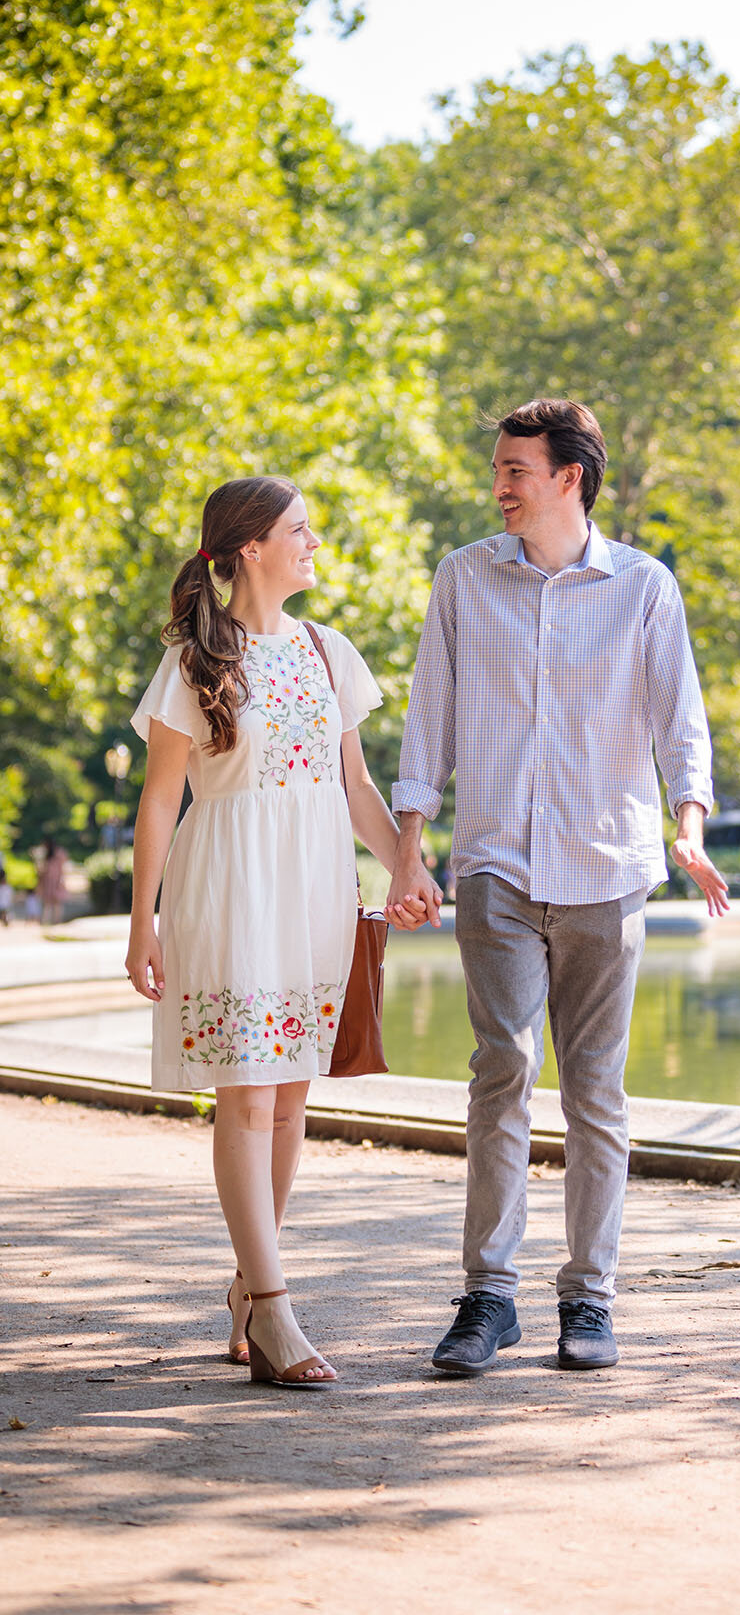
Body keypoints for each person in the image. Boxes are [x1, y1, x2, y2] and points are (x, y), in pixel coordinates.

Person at [385, 399, 729, 1375]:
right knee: (500, 1072)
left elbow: (681, 724)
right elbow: (430, 721)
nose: (499, 484)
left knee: (594, 1091)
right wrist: (409, 849)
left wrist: (688, 829)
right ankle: (488, 1299)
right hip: (494, 858)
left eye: (515, 470)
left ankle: (590, 1300)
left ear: (569, 479)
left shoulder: (644, 589)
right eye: (498, 468)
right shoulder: (464, 579)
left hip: (607, 867)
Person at [125, 476, 403, 1388]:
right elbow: (161, 797)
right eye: (299, 529)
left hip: (316, 886)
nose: (314, 541)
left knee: (289, 1101)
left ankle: (251, 1284)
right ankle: (279, 1314)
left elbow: (356, 788)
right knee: (245, 1096)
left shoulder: (329, 652)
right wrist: (144, 924)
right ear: (251, 548)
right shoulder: (196, 659)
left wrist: (408, 865)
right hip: (230, 887)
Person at [36, 840, 68, 926]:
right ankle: (54, 921)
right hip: (52, 881)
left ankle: (50, 921)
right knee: (53, 903)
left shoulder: (54, 854)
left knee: (50, 904)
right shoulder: (57, 854)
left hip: (52, 881)